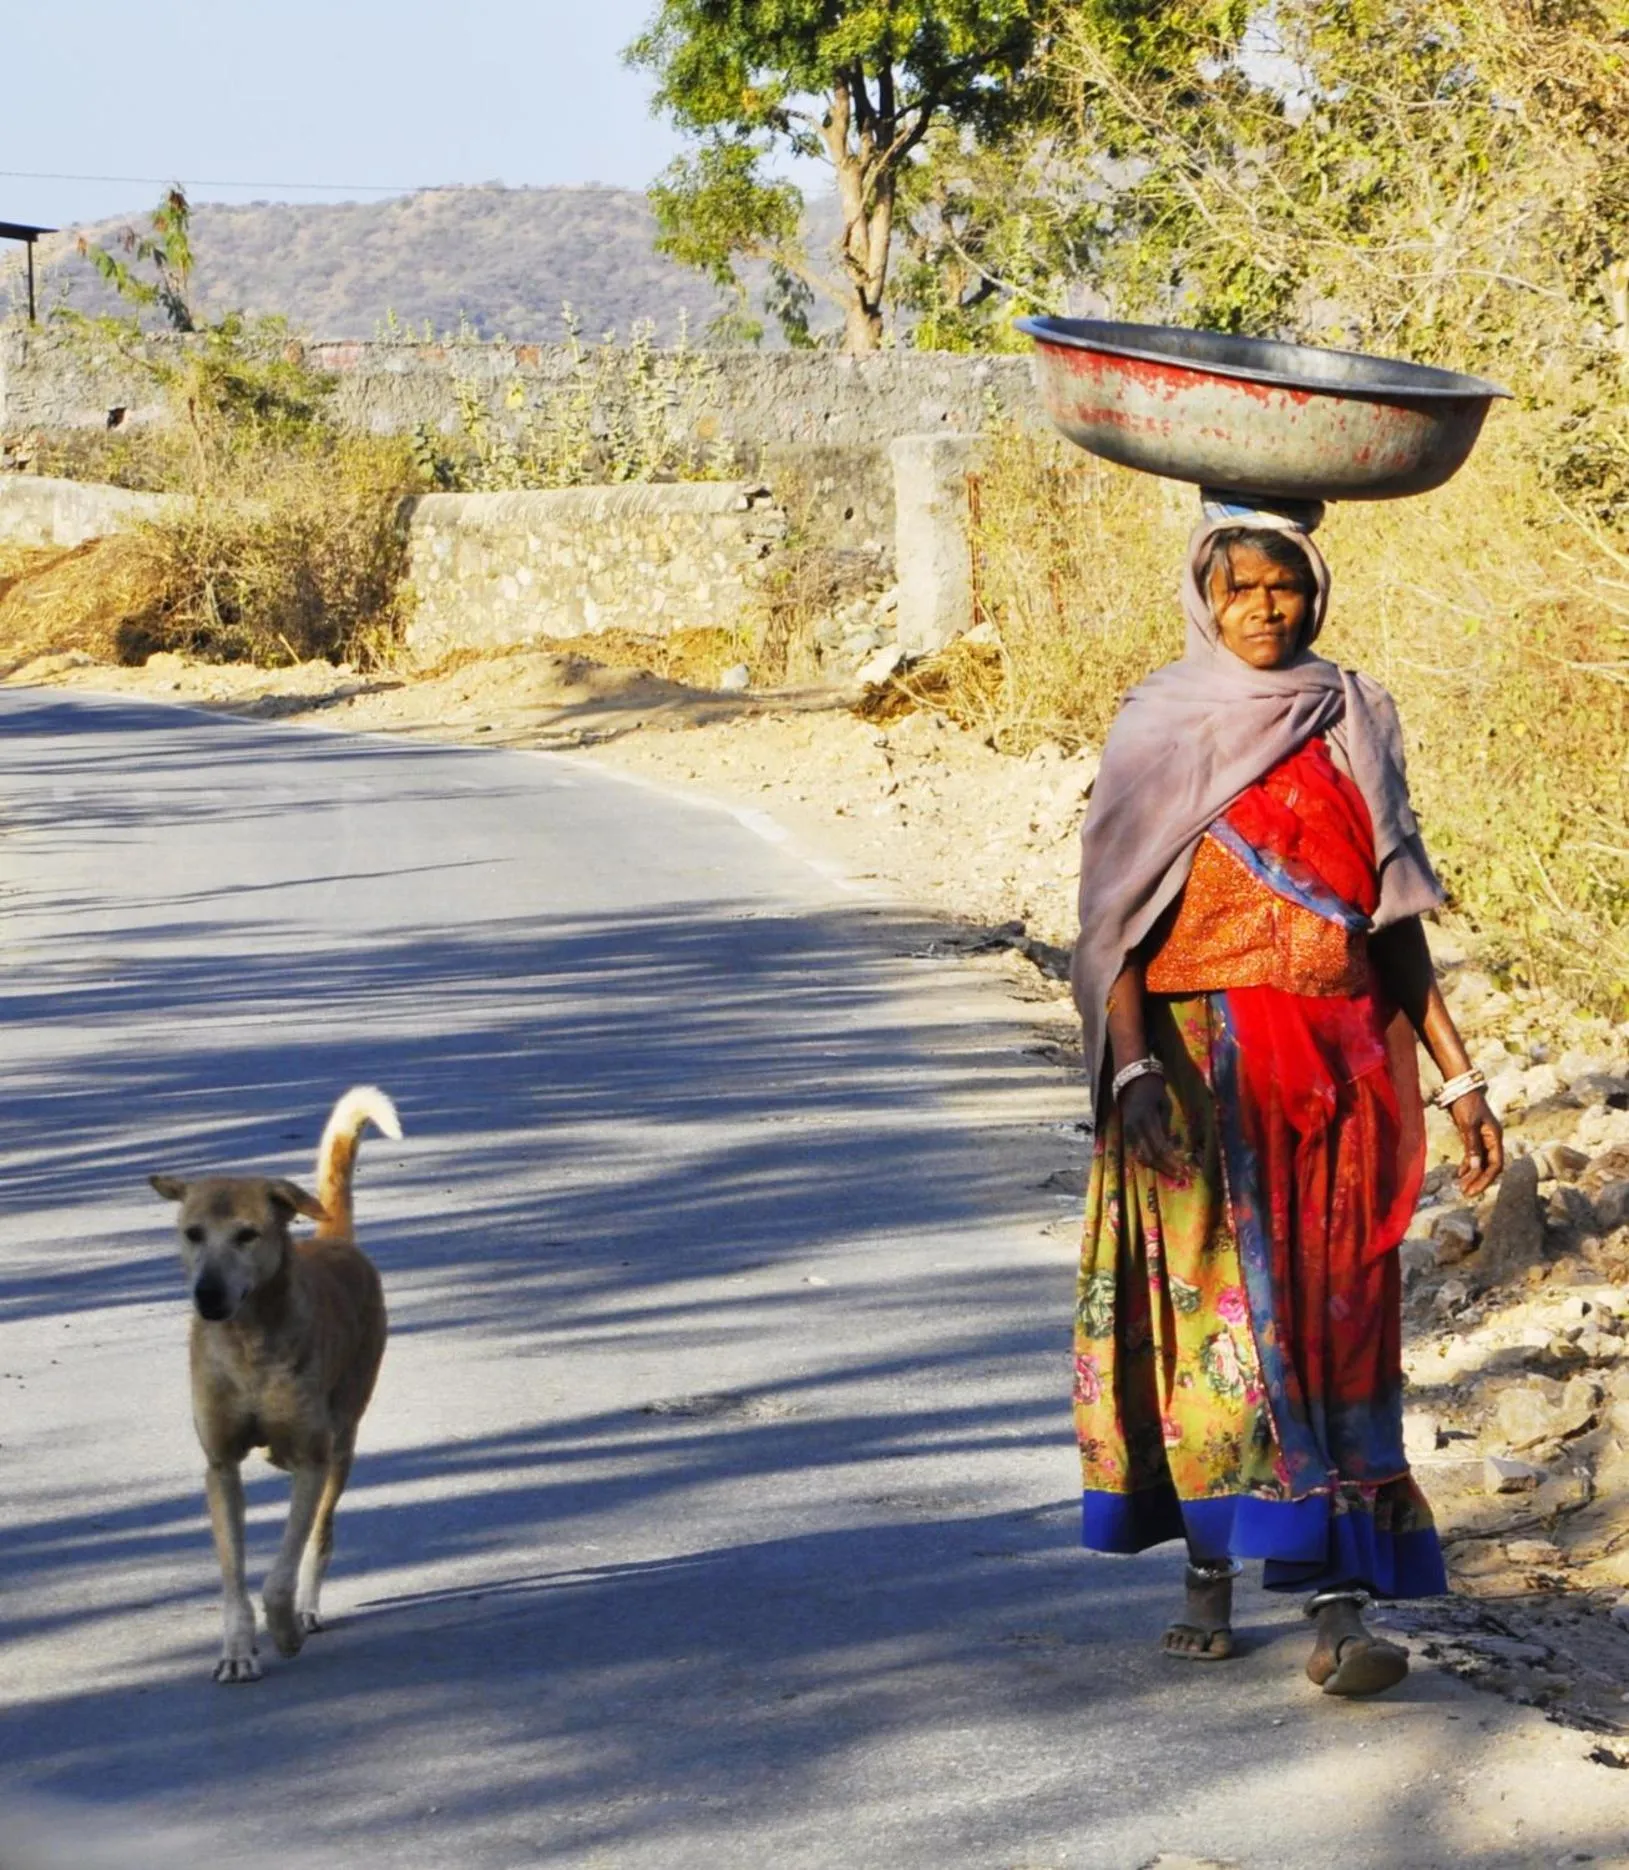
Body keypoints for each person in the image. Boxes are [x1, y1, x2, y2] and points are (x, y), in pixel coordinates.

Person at [1070, 499, 1503, 1697]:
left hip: (1345, 1068)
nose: (1265, 610)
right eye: (1241, 589)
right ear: (1202, 594)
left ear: (1316, 587)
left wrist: (1458, 1075)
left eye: (1287, 587)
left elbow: (1391, 918)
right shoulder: (1160, 723)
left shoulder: (1353, 713)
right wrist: (1138, 1068)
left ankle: (1341, 1607)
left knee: (1340, 1323)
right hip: (1200, 1075)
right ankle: (1216, 1561)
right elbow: (1114, 926)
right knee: (1230, 1330)